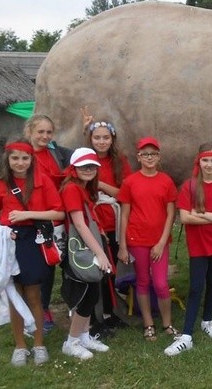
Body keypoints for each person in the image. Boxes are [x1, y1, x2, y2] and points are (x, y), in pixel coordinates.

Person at [0, 139, 64, 366]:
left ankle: (38, 344)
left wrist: (28, 215)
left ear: (31, 160)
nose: (20, 163)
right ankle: (19, 346)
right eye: (15, 158)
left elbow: (59, 213)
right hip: (9, 241)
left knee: (34, 295)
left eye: (25, 158)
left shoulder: (42, 181)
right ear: (7, 160)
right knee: (14, 296)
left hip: (33, 241)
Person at [165, 143, 212, 356]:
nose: (209, 165)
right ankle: (186, 335)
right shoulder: (190, 186)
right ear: (199, 161)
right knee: (196, 286)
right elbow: (185, 217)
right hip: (198, 246)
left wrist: (202, 214)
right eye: (206, 160)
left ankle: (207, 321)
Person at [117, 137, 179, 341]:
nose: (149, 157)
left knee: (161, 283)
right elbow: (125, 215)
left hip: (159, 241)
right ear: (139, 157)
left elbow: (171, 214)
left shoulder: (166, 181)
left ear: (159, 157)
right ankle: (148, 323)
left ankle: (167, 323)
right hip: (136, 239)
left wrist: (162, 242)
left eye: (153, 154)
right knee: (142, 281)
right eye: (145, 154)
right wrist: (123, 245)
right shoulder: (130, 182)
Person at [58, 147, 113, 360]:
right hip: (80, 251)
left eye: (92, 166)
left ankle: (84, 336)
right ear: (74, 168)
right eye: (83, 166)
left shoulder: (81, 188)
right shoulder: (72, 189)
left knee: (91, 295)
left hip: (86, 247)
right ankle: (71, 342)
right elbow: (79, 225)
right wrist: (100, 253)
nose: (88, 170)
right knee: (84, 297)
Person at [83, 114, 132, 335]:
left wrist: (101, 184)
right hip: (92, 223)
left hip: (113, 221)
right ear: (90, 139)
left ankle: (110, 314)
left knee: (110, 270)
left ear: (112, 139)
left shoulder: (118, 161)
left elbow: (125, 192)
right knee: (93, 270)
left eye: (105, 137)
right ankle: (93, 318)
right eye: (97, 137)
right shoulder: (85, 161)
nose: (101, 141)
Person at [24, 114, 73, 333]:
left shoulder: (57, 153)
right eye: (40, 132)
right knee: (42, 269)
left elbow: (83, 158)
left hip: (58, 217)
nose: (44, 136)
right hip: (34, 219)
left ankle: (73, 305)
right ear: (30, 133)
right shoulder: (22, 156)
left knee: (61, 262)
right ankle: (40, 310)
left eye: (48, 132)